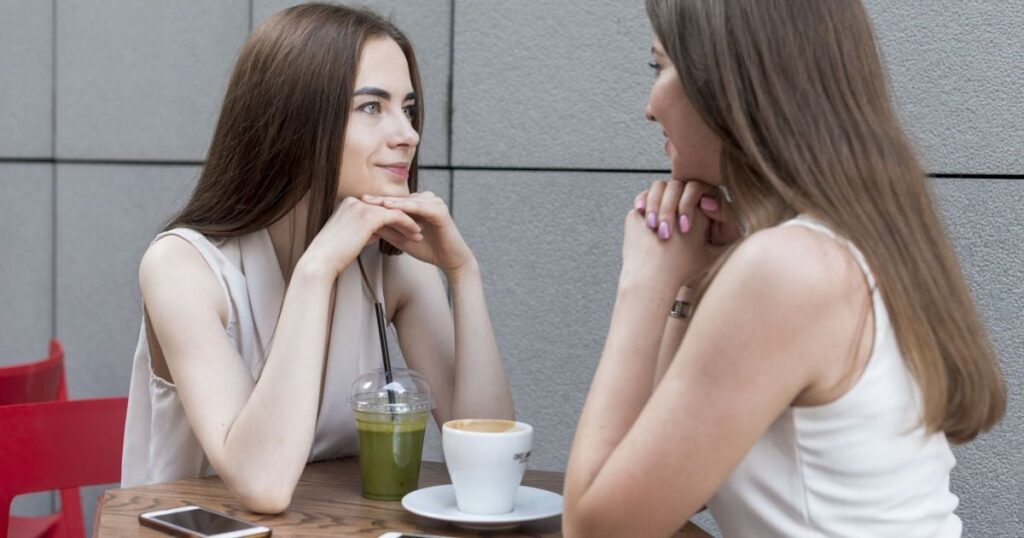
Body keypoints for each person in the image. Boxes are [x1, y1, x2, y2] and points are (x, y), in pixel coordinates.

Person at [563, 1, 1006, 536]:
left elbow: (596, 529)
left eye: (660, 67)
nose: (649, 109)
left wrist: (643, 283)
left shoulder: (788, 269)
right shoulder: (852, 243)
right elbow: (671, 492)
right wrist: (689, 285)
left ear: (728, 82)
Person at [121, 3, 513, 513]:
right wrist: (317, 268)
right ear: (296, 122)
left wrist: (463, 273)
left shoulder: (391, 262)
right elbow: (261, 484)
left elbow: (488, 462)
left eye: (409, 109)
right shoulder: (182, 267)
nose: (408, 134)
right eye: (371, 107)